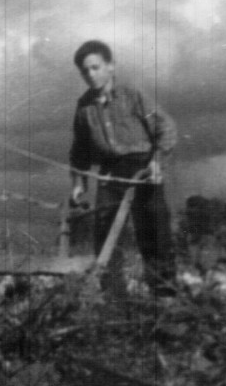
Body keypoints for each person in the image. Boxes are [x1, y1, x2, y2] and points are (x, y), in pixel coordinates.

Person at [68, 40, 178, 298]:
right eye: (85, 71)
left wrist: (156, 161)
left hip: (143, 169)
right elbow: (80, 152)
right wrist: (78, 183)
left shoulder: (133, 96)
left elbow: (166, 129)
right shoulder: (84, 108)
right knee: (106, 236)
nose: (90, 75)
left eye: (95, 68)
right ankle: (114, 299)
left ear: (111, 67)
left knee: (154, 231)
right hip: (110, 172)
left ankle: (164, 296)